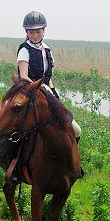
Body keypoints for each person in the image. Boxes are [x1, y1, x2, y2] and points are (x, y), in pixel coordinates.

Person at [17, 10, 82, 142]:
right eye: (31, 32)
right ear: (27, 33)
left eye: (38, 32)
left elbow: (48, 76)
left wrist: (53, 93)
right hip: (27, 90)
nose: (35, 35)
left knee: (76, 129)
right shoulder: (24, 50)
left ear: (43, 31)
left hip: (45, 91)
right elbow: (23, 76)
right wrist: (37, 89)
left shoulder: (47, 50)